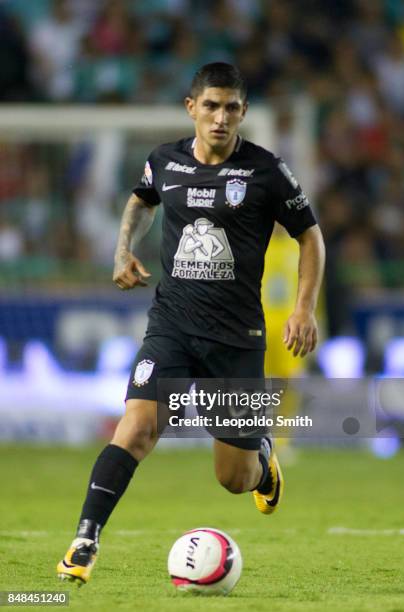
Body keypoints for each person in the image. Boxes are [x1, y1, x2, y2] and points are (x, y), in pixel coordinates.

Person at [57, 62, 325, 584]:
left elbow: (310, 236)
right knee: (134, 428)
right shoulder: (166, 161)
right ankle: (85, 540)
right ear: (191, 108)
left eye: (230, 108)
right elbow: (141, 200)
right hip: (172, 326)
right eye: (210, 106)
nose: (220, 117)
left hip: (236, 338)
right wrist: (122, 252)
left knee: (234, 478)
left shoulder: (267, 172)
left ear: (243, 112)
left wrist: (303, 308)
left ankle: (262, 458)